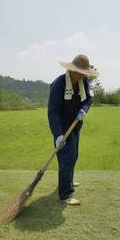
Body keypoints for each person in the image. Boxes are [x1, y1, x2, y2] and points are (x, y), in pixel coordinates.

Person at [47, 54, 99, 205]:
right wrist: (58, 135)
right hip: (62, 127)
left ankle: (66, 181)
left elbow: (88, 99)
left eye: (85, 73)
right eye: (81, 72)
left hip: (75, 124)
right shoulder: (59, 84)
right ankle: (65, 194)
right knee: (66, 158)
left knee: (73, 155)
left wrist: (83, 109)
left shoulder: (83, 82)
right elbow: (53, 111)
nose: (83, 75)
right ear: (73, 70)